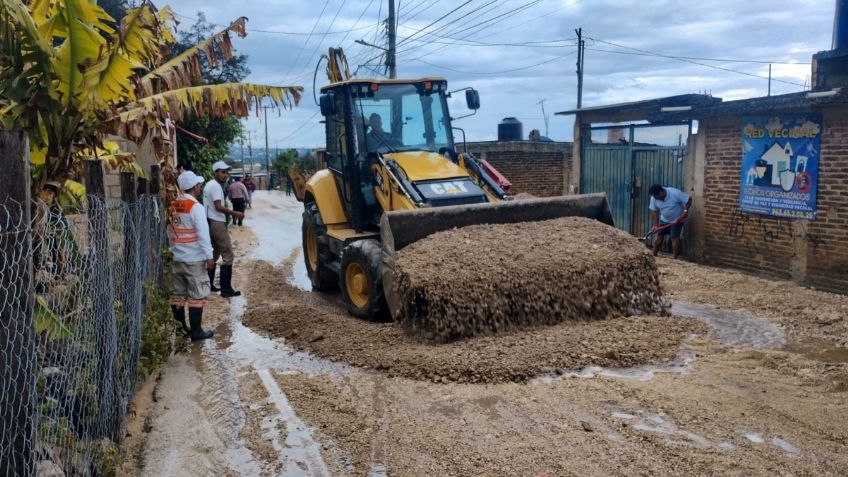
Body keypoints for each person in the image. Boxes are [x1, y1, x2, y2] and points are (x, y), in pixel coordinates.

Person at [168, 171, 215, 341]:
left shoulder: (172, 204)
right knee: (196, 296)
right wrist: (209, 256)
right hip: (194, 258)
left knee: (178, 296)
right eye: (198, 185)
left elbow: (169, 231)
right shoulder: (196, 207)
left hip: (177, 257)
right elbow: (203, 234)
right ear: (195, 187)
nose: (199, 187)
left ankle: (181, 330)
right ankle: (196, 332)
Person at [203, 161, 244, 297]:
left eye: (226, 172)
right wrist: (235, 214)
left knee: (214, 254)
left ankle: (209, 285)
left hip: (211, 221)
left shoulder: (210, 184)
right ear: (215, 173)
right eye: (222, 172)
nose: (225, 175)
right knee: (228, 255)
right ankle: (226, 289)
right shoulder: (215, 186)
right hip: (216, 222)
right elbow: (218, 207)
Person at [648, 184, 693, 259]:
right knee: (659, 237)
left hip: (677, 220)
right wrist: (655, 225)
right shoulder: (654, 197)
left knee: (674, 237)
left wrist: (685, 211)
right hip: (664, 219)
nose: (655, 198)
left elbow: (689, 199)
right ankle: (654, 255)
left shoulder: (675, 193)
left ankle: (675, 259)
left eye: (656, 197)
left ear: (661, 192)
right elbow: (655, 211)